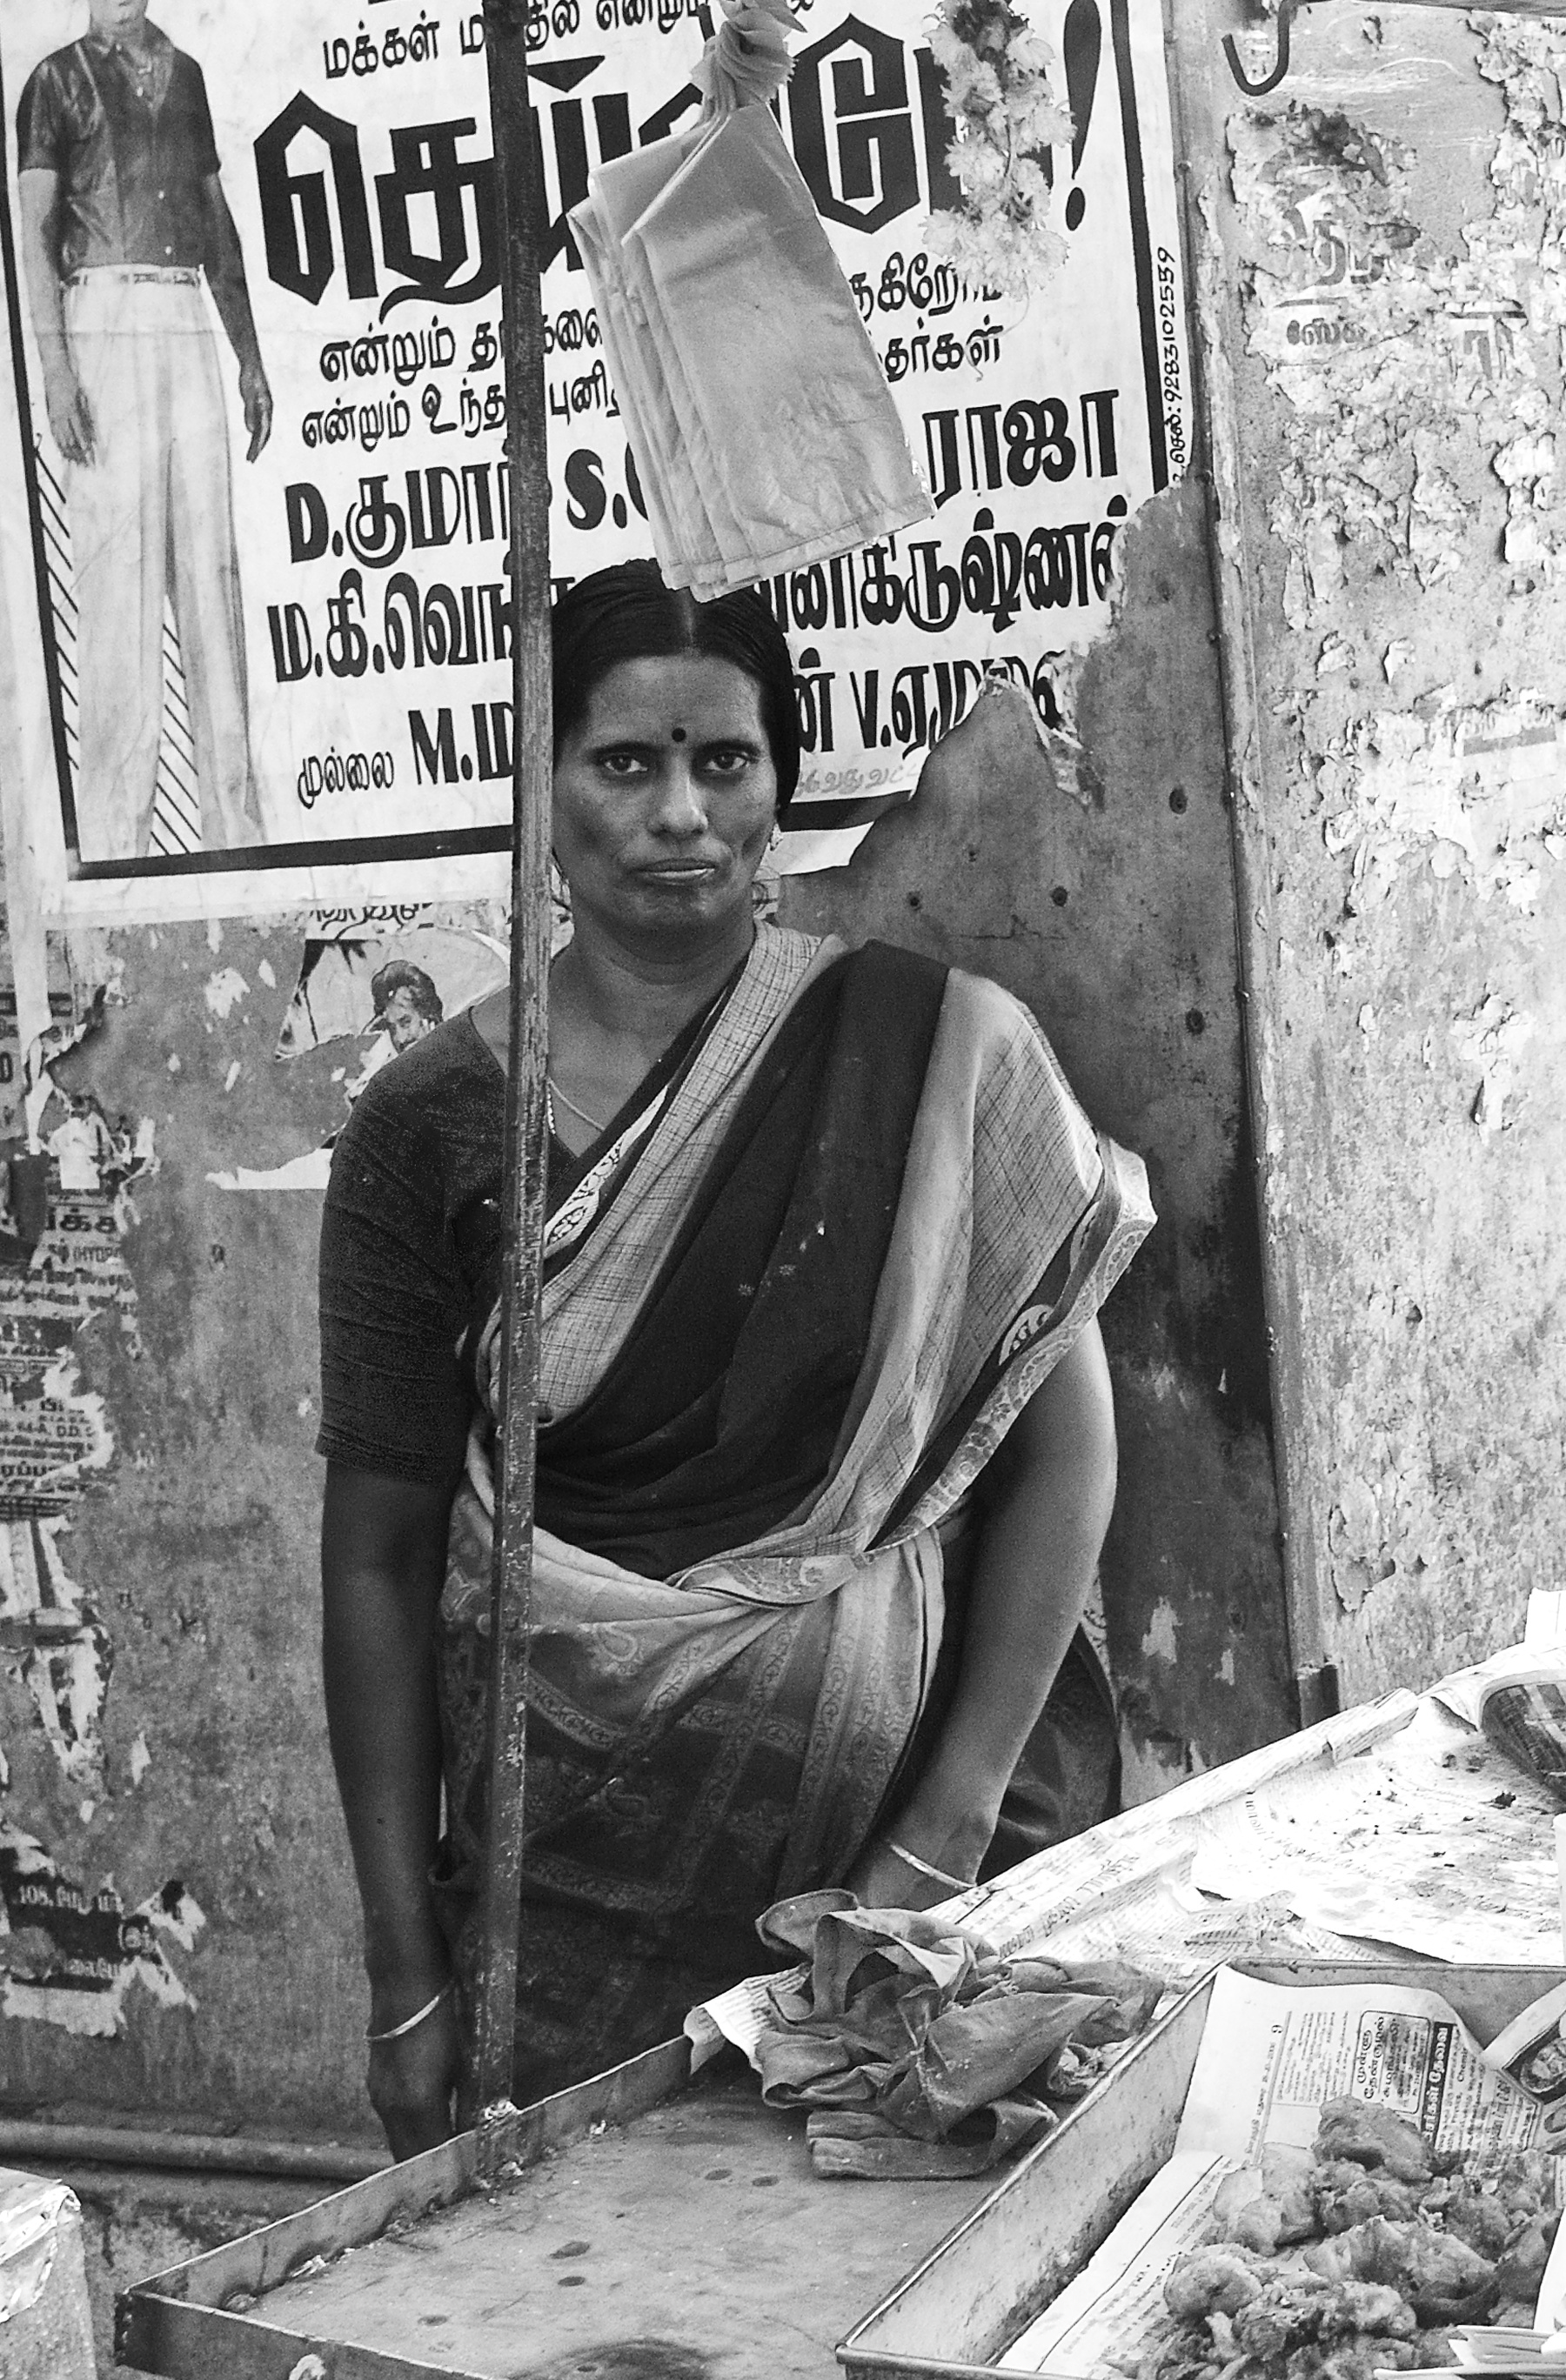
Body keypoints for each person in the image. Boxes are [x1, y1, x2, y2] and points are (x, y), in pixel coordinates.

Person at [317, 561, 1149, 2153]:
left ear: (780, 786)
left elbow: (1063, 1445)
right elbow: (380, 1554)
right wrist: (404, 1961)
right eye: (624, 763)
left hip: (909, 1856)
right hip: (561, 1871)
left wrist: (942, 1840)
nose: (679, 810)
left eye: (724, 760)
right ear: (543, 791)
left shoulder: (932, 1050)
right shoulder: (427, 1128)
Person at [12, 0, 270, 861]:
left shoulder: (186, 75)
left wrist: (250, 354)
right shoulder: (55, 81)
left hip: (184, 317)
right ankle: (119, 856)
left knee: (211, 577)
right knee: (119, 591)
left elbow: (213, 215)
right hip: (101, 320)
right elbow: (35, 232)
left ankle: (241, 843)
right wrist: (55, 372)